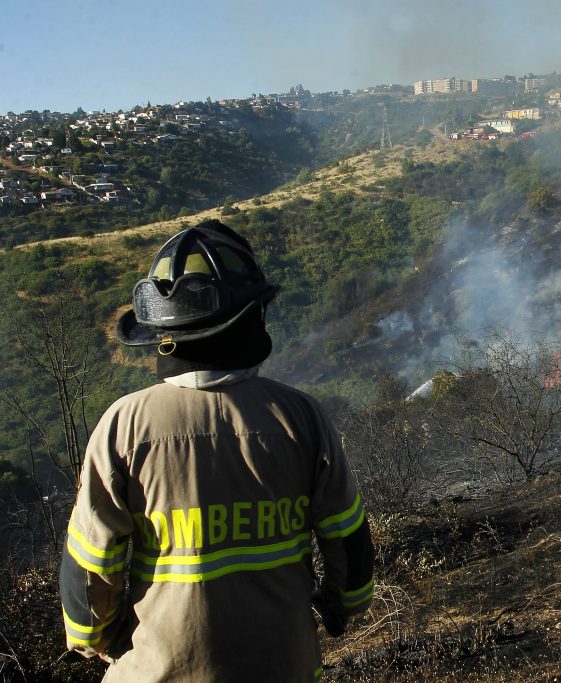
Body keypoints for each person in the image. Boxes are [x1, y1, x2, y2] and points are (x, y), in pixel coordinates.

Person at [59, 220, 375, 682]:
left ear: (161, 333)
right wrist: (340, 608)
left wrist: (95, 636)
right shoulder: (301, 418)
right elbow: (349, 543)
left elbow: (91, 568)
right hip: (282, 664)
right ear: (250, 318)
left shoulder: (124, 427)